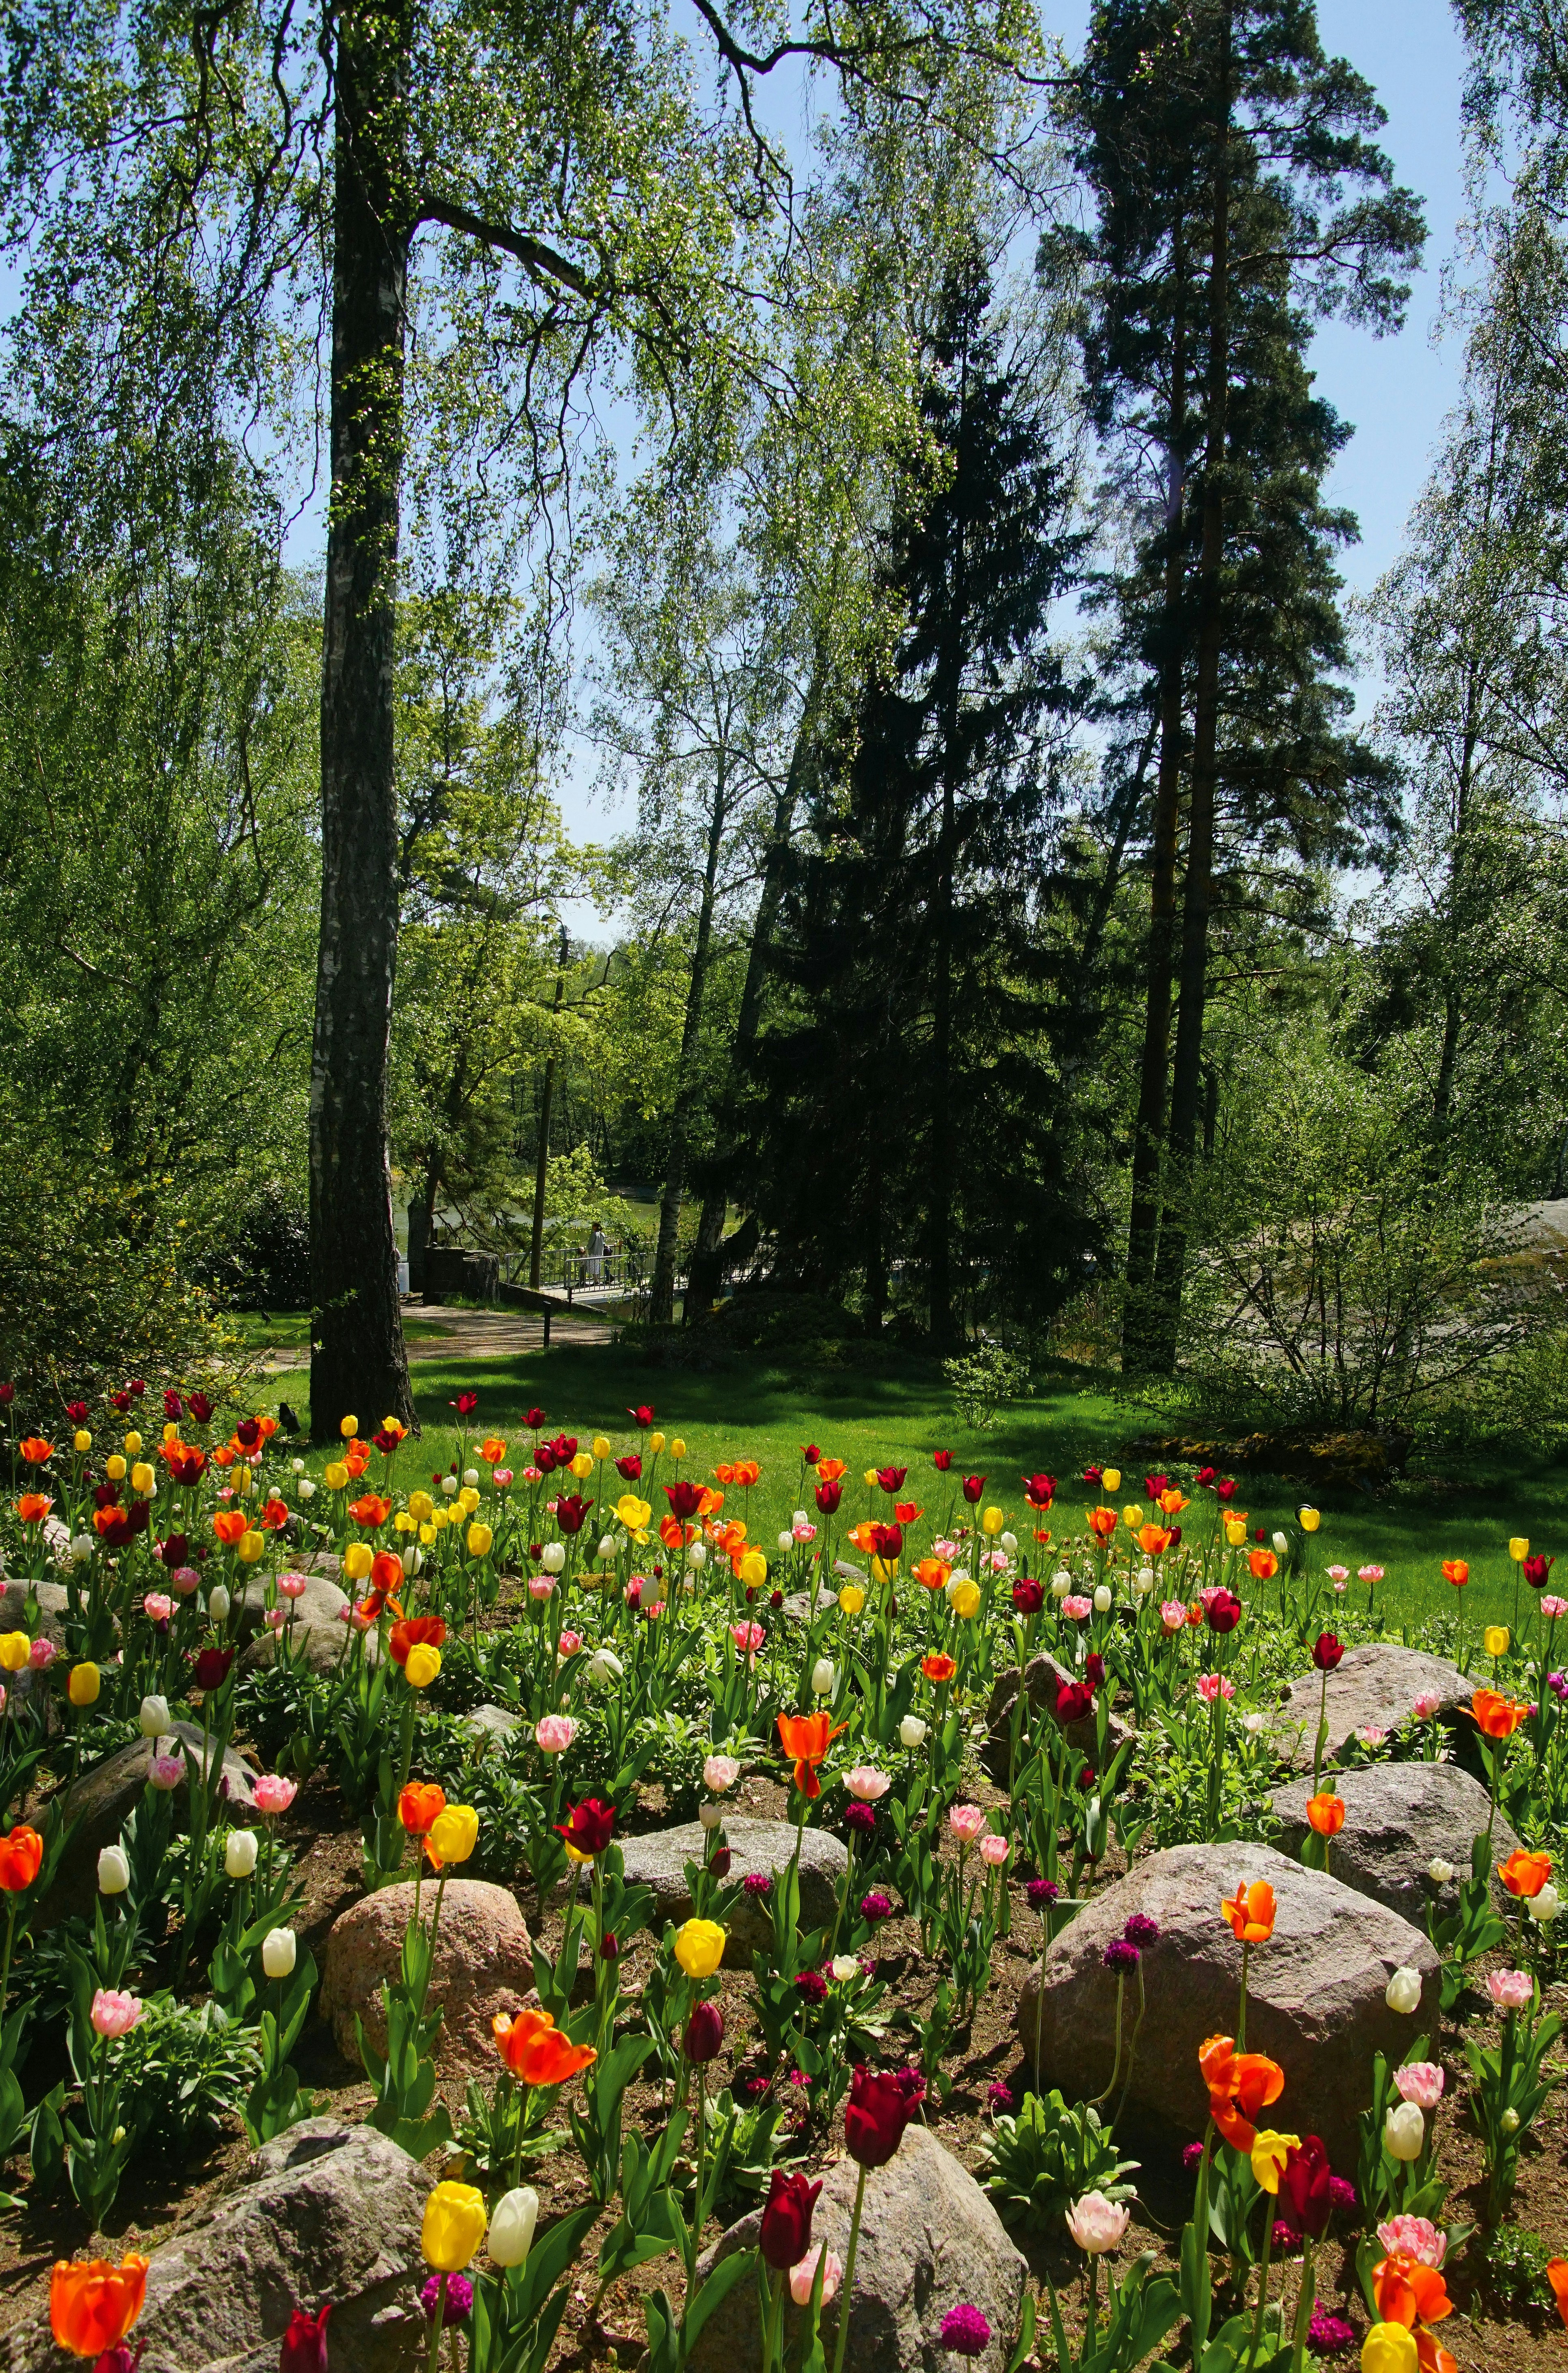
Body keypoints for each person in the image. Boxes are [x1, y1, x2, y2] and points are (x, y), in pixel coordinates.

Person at [586, 1220, 605, 1286]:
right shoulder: (602, 1234)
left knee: (593, 1268)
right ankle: (597, 1280)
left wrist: (586, 1249)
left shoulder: (594, 1235)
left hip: (594, 1253)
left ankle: (596, 1281)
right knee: (597, 1267)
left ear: (595, 1227)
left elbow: (590, 1244)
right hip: (600, 1253)